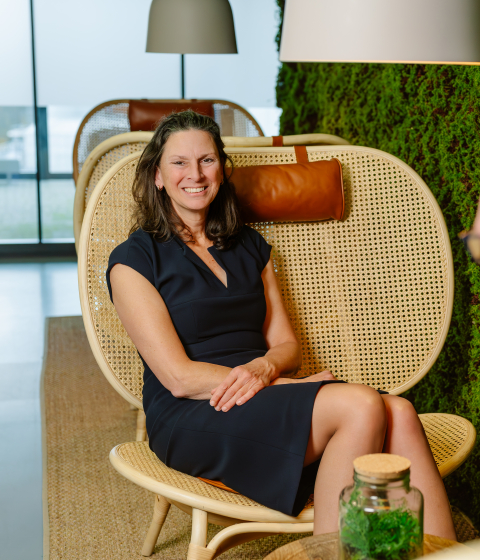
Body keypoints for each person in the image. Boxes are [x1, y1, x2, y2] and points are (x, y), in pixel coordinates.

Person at [106, 110, 456, 539]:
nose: (195, 174)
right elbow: (178, 378)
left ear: (221, 168)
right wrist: (286, 386)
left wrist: (268, 368)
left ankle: (444, 554)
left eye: (207, 160)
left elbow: (285, 345)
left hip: (262, 393)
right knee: (362, 404)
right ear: (157, 176)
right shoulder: (134, 260)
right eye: (179, 162)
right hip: (195, 410)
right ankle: (331, 552)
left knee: (399, 412)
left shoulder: (250, 245)